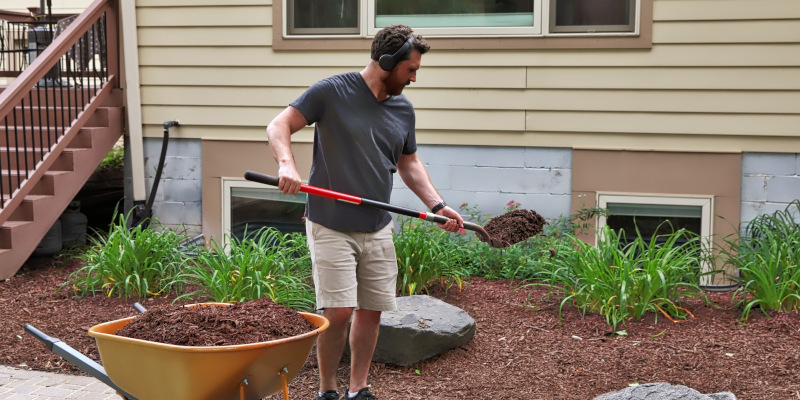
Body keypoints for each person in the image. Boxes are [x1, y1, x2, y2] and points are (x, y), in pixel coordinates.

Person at [266, 24, 464, 400]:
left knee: (372, 311)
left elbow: (410, 164)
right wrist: (286, 166)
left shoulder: (403, 109)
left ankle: (359, 388)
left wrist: (437, 205)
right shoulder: (331, 91)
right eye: (411, 69)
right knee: (339, 311)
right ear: (387, 62)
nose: (414, 78)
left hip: (377, 226)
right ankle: (327, 390)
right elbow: (278, 125)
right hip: (331, 222)